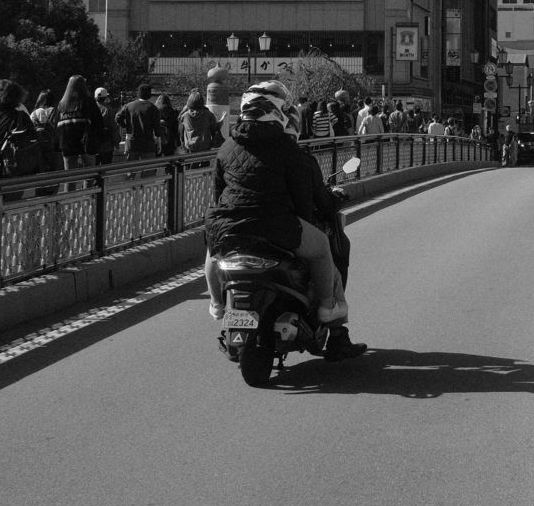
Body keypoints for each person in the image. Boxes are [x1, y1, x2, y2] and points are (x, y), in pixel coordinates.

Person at [204, 91, 365, 360]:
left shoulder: (226, 147)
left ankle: (217, 304)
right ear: (278, 113)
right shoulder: (287, 149)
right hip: (275, 226)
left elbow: (217, 193)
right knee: (322, 247)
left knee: (212, 252)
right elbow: (303, 200)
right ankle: (327, 308)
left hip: (228, 225)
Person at [54, 75, 104, 172]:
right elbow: (98, 122)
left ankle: (70, 187)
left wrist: (57, 145)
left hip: (67, 143)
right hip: (85, 142)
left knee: (70, 177)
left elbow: (56, 126)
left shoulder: (62, 104)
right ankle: (88, 188)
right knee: (89, 173)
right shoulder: (88, 101)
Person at [114, 85, 164, 161]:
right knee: (148, 169)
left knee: (131, 169)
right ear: (149, 94)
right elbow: (157, 128)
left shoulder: (129, 106)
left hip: (132, 142)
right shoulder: (154, 109)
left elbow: (118, 117)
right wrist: (159, 143)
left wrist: (126, 126)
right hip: (148, 143)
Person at [180, 86, 222, 153]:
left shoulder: (185, 116)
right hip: (205, 146)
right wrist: (221, 122)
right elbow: (214, 129)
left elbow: (181, 132)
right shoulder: (208, 114)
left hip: (190, 147)